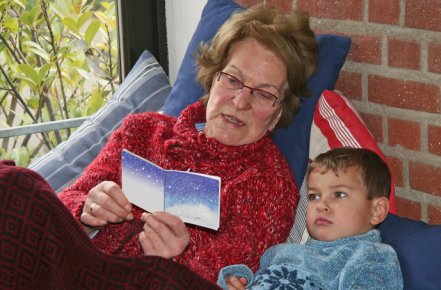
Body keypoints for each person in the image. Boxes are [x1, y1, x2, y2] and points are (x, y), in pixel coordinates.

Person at [57, 4, 318, 284]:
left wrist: (176, 261)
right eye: (232, 80)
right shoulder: (141, 131)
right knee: (14, 183)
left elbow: (228, 282)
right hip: (67, 271)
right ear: (212, 79)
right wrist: (87, 210)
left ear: (277, 115)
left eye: (264, 95)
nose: (241, 102)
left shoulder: (269, 187)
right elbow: (61, 207)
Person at [217, 147, 404, 290]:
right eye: (314, 196)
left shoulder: (369, 256)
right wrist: (238, 281)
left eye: (338, 194)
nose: (321, 205)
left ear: (376, 211)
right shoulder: (284, 252)